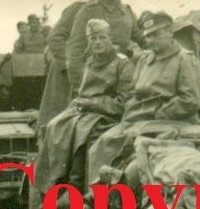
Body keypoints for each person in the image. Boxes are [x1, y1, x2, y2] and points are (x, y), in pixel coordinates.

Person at [86, 11, 200, 182]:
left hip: (174, 121)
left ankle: (116, 190)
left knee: (126, 147)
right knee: (103, 142)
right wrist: (133, 108)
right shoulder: (145, 59)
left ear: (169, 32)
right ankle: (98, 192)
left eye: (155, 35)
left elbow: (190, 101)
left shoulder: (185, 59)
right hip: (141, 119)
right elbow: (134, 91)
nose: (150, 40)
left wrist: (154, 113)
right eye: (148, 36)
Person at [39, 19, 134, 191]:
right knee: (55, 125)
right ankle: (52, 184)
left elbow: (124, 102)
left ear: (110, 39)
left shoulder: (122, 63)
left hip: (108, 114)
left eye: (102, 38)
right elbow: (84, 93)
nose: (97, 42)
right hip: (86, 111)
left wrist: (92, 104)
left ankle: (76, 185)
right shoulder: (91, 61)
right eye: (93, 38)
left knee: (82, 131)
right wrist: (79, 105)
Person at [66, 0, 144, 95]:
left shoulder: (126, 12)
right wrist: (79, 86)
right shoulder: (88, 11)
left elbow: (142, 39)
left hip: (123, 75)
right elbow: (75, 50)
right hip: (96, 78)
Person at [36, 0, 100, 128]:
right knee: (57, 122)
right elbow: (55, 38)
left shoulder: (113, 13)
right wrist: (73, 64)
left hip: (94, 72)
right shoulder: (78, 9)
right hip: (66, 73)